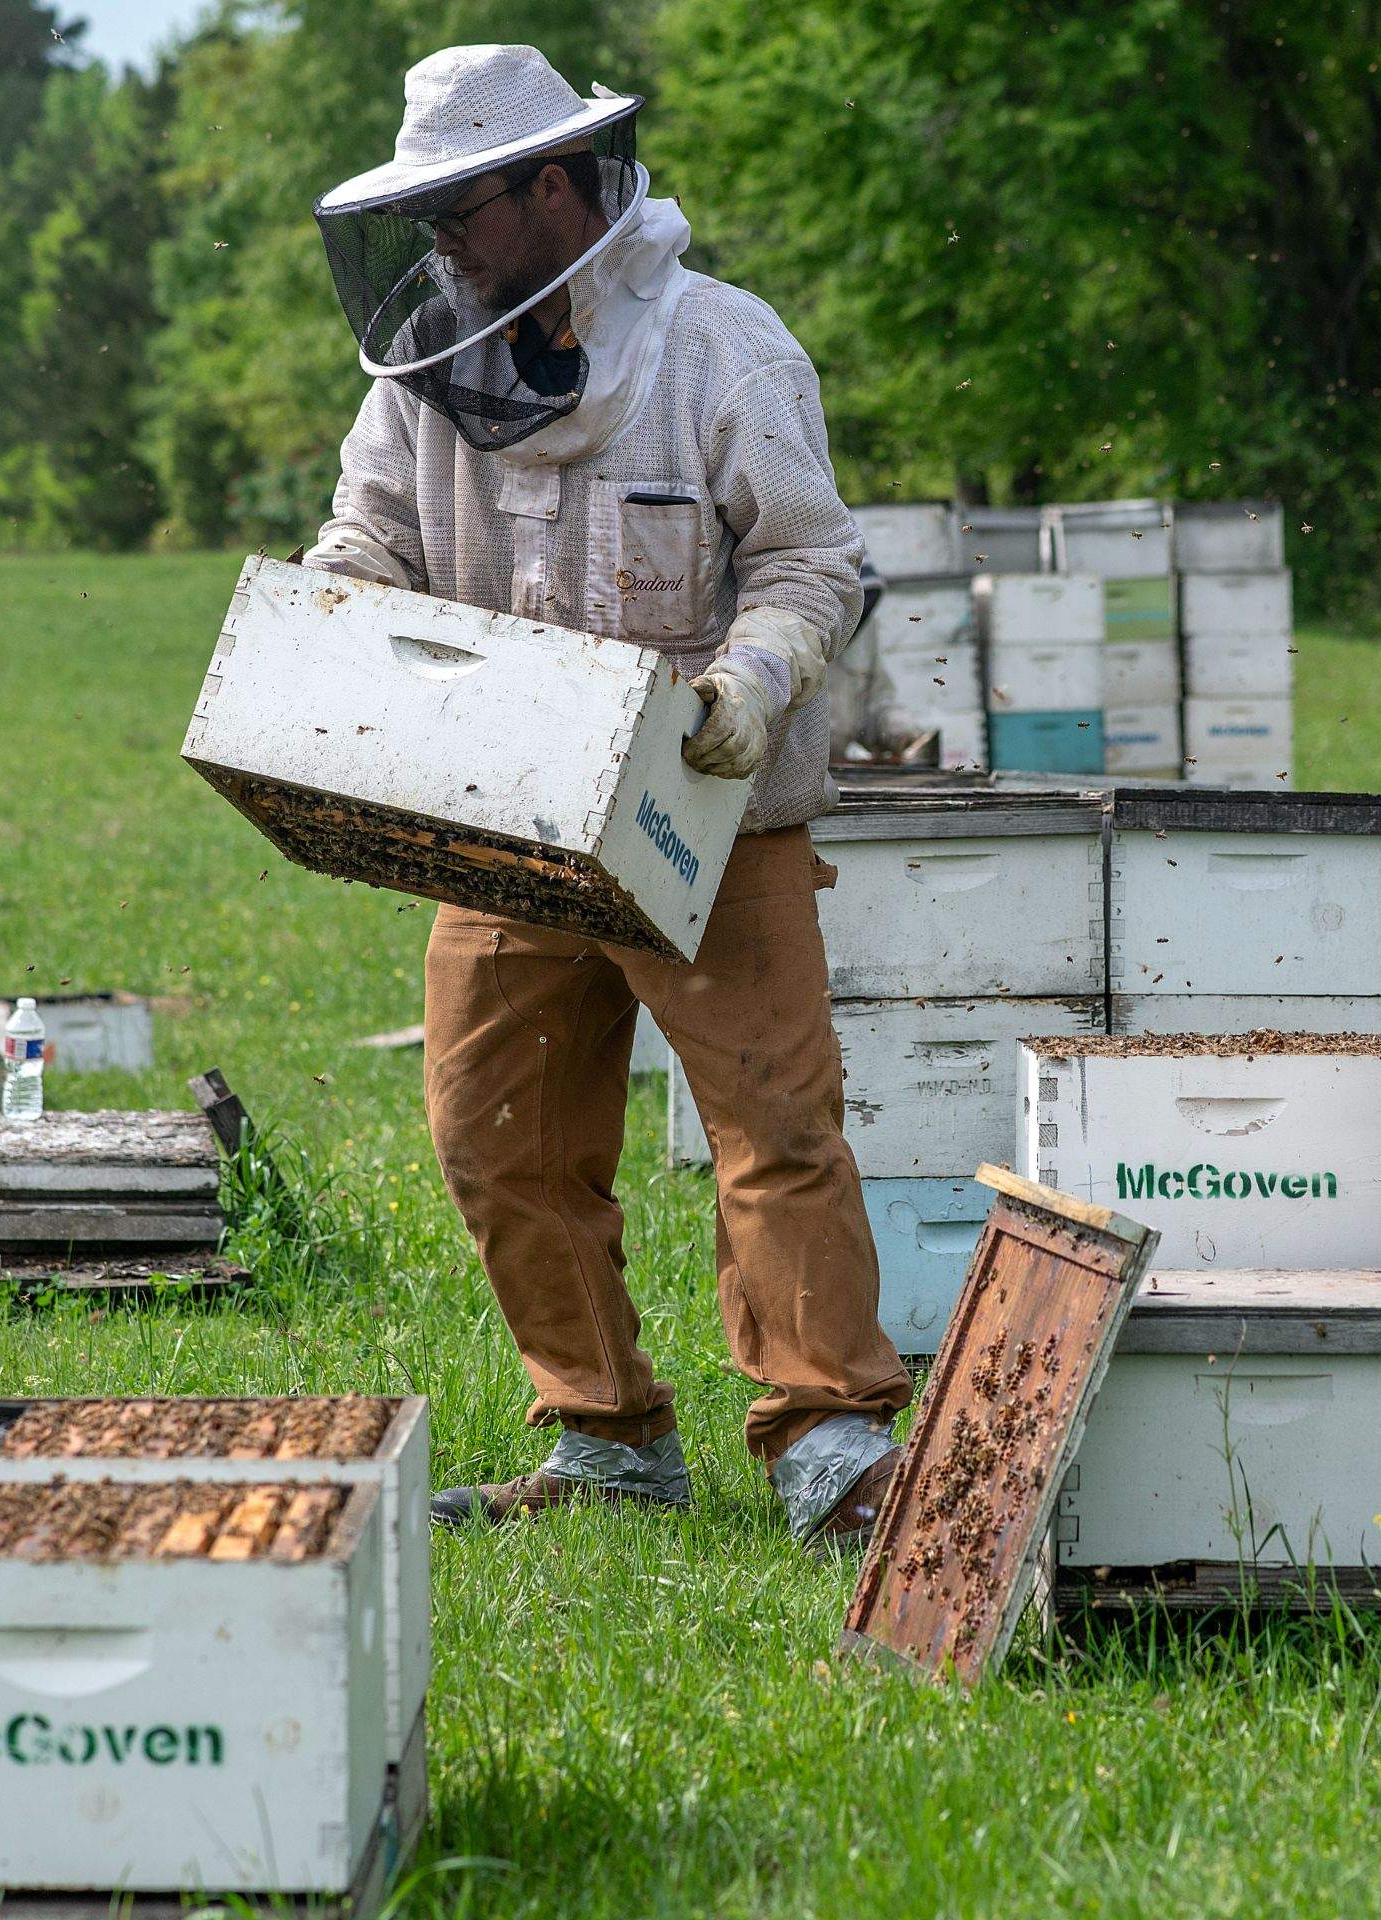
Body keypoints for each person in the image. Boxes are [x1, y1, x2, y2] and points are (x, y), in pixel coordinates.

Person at [302, 44, 910, 1546]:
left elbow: (809, 557)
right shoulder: (424, 381)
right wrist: (325, 621)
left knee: (773, 1127)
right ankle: (605, 1435)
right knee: (494, 1130)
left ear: (559, 184)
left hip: (706, 809)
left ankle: (826, 1431)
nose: (442, 238)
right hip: (502, 813)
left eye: (469, 204)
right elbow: (366, 542)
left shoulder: (721, 349)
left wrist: (751, 686)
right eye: (425, 208)